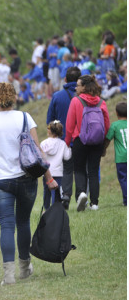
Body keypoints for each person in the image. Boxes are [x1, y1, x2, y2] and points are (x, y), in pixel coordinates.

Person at [0, 83, 58, 286]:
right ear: (14, 98)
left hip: (2, 180)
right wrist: (48, 177)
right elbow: (38, 150)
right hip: (26, 177)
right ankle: (24, 267)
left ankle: (8, 275)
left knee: (6, 226)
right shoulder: (25, 117)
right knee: (23, 223)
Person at [65, 75, 110, 212]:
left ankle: (81, 195)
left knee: (79, 169)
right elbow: (106, 124)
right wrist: (102, 141)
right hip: (97, 141)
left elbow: (69, 125)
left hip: (80, 139)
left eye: (78, 85)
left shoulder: (75, 101)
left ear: (84, 87)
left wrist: (67, 142)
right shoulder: (101, 102)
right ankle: (94, 203)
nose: (76, 87)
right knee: (93, 171)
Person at [46, 66, 81, 209]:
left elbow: (50, 119)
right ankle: (81, 195)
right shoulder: (83, 97)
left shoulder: (57, 96)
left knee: (66, 169)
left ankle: (66, 194)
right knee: (80, 169)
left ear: (65, 79)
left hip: (63, 140)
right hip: (81, 139)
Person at [40, 121, 72, 209]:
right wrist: (68, 148)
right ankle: (56, 209)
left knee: (46, 192)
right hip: (58, 173)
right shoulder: (63, 144)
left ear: (50, 131)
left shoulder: (43, 143)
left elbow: (40, 157)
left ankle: (46, 209)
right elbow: (67, 157)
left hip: (47, 172)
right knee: (57, 193)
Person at [103, 102, 127, 206]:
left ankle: (126, 200)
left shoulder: (114, 125)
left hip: (121, 158)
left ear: (116, 113)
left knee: (123, 179)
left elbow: (107, 139)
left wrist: (103, 150)